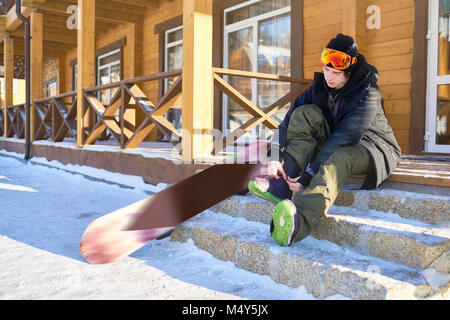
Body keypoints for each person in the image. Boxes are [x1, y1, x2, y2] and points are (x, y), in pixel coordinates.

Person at [248, 33, 402, 247]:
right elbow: (290, 119)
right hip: (337, 140)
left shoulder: (368, 93)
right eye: (326, 70)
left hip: (372, 147)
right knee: (304, 113)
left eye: (336, 73)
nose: (329, 77)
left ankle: (298, 220)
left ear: (350, 69)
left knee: (339, 157)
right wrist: (275, 155)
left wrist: (309, 176)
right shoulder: (321, 87)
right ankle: (283, 181)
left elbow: (344, 138)